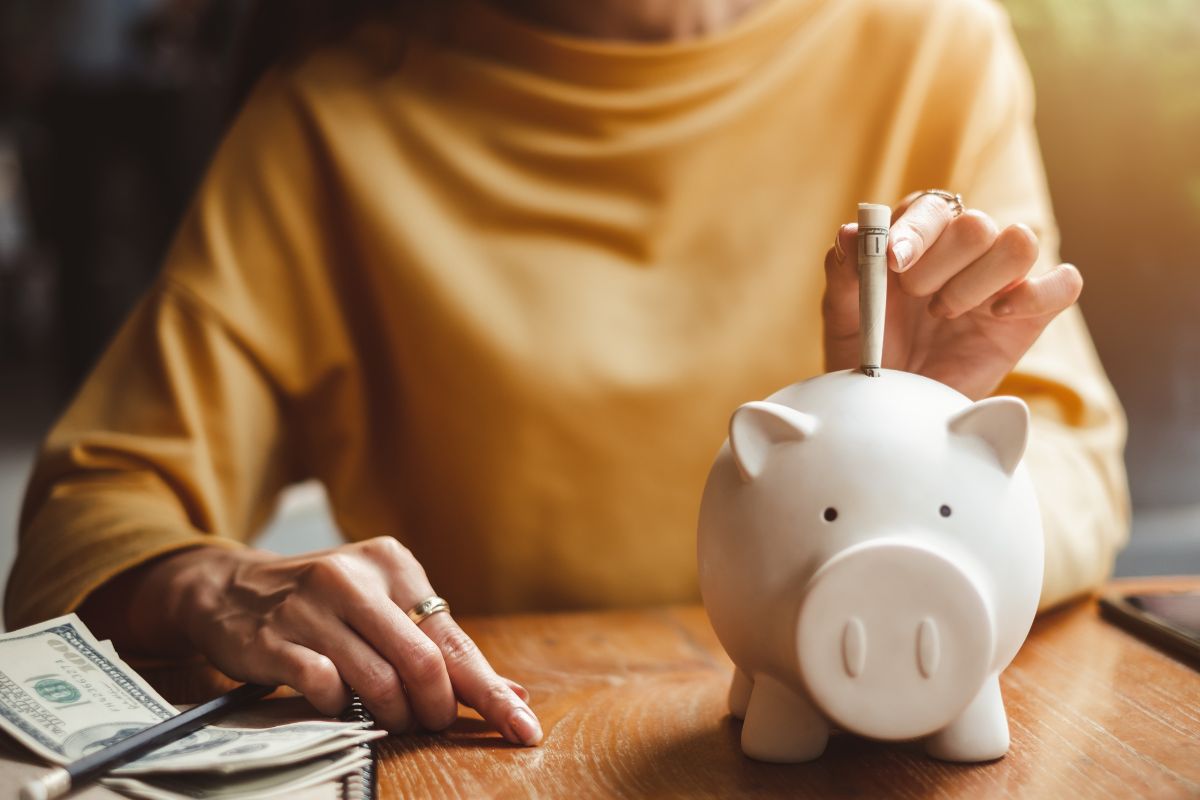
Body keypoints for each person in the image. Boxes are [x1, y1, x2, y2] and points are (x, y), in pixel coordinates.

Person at [5, 0, 1129, 748]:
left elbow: (1075, 467)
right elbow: (82, 523)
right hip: (507, 752)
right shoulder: (328, 128)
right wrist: (216, 583)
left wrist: (922, 434)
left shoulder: (931, 41)